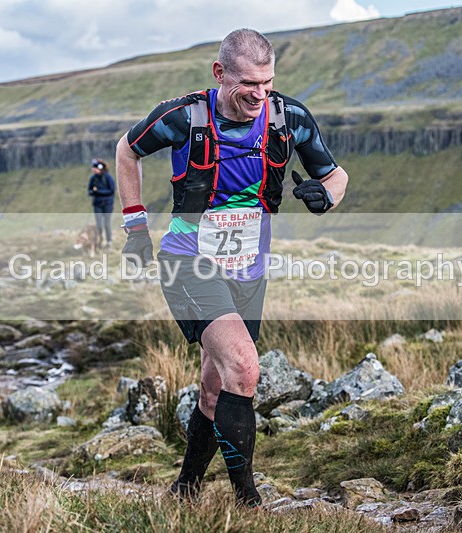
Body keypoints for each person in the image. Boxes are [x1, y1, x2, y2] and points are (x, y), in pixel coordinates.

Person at [115, 28, 348, 507]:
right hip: (189, 262)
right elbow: (127, 149)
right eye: (248, 85)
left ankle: (185, 490)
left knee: (216, 384)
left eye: (267, 84)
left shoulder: (289, 118)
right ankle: (248, 503)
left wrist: (325, 195)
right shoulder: (183, 117)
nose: (259, 96)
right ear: (220, 73)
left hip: (248, 269)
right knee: (244, 367)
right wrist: (136, 229)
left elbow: (335, 174)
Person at [88, 158, 116, 247]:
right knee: (99, 225)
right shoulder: (93, 178)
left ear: (99, 168)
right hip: (97, 204)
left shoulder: (108, 177)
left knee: (107, 224)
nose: (93, 169)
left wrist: (98, 191)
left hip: (107, 204)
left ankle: (109, 242)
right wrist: (93, 192)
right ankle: (99, 241)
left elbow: (111, 191)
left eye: (94, 168)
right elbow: (90, 190)